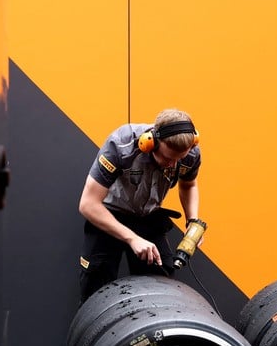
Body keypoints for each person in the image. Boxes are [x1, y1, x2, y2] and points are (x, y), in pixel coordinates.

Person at [78, 108, 202, 303]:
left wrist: (192, 220)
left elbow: (189, 184)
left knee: (163, 289)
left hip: (148, 217)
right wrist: (132, 239)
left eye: (179, 159)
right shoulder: (121, 146)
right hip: (108, 216)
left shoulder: (191, 154)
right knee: (96, 290)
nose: (173, 165)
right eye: (168, 158)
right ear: (150, 143)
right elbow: (88, 204)